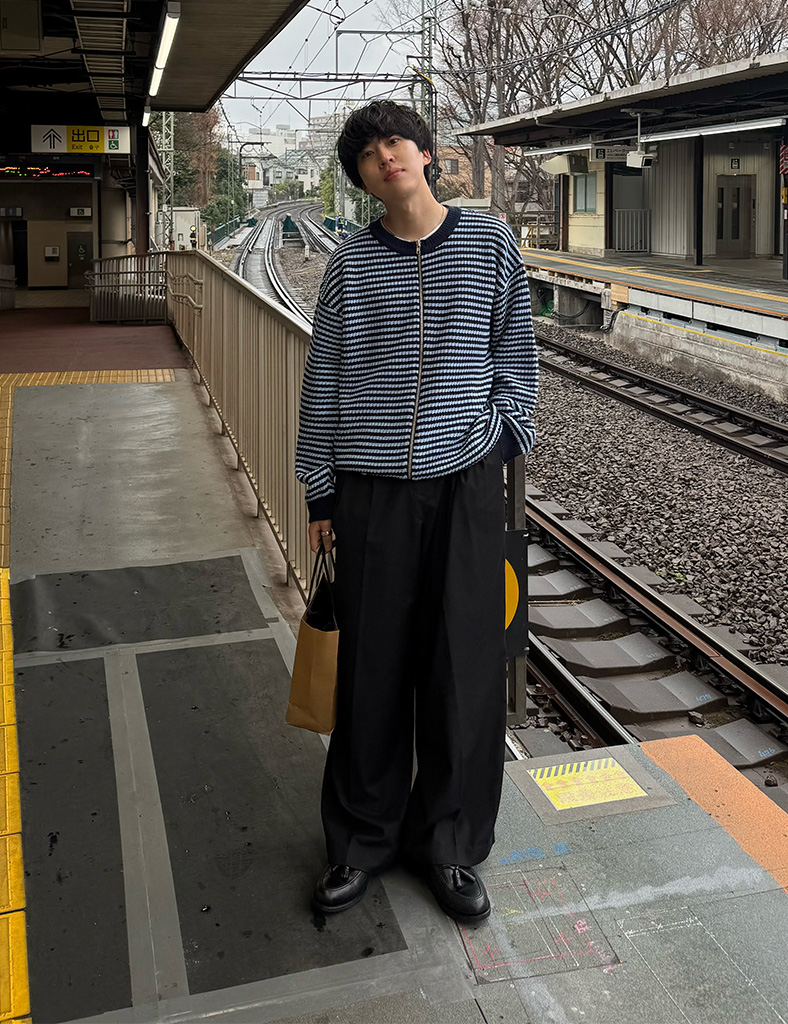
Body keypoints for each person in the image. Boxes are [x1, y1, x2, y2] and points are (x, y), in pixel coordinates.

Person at [295, 100, 537, 925]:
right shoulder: (351, 266)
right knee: (371, 670)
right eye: (367, 153)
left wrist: (499, 435)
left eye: (396, 141)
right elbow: (323, 380)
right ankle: (360, 839)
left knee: (463, 667)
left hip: (465, 486)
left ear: (427, 153)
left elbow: (517, 355)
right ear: (362, 178)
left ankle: (450, 842)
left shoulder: (489, 242)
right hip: (369, 494)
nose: (385, 156)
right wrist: (320, 491)